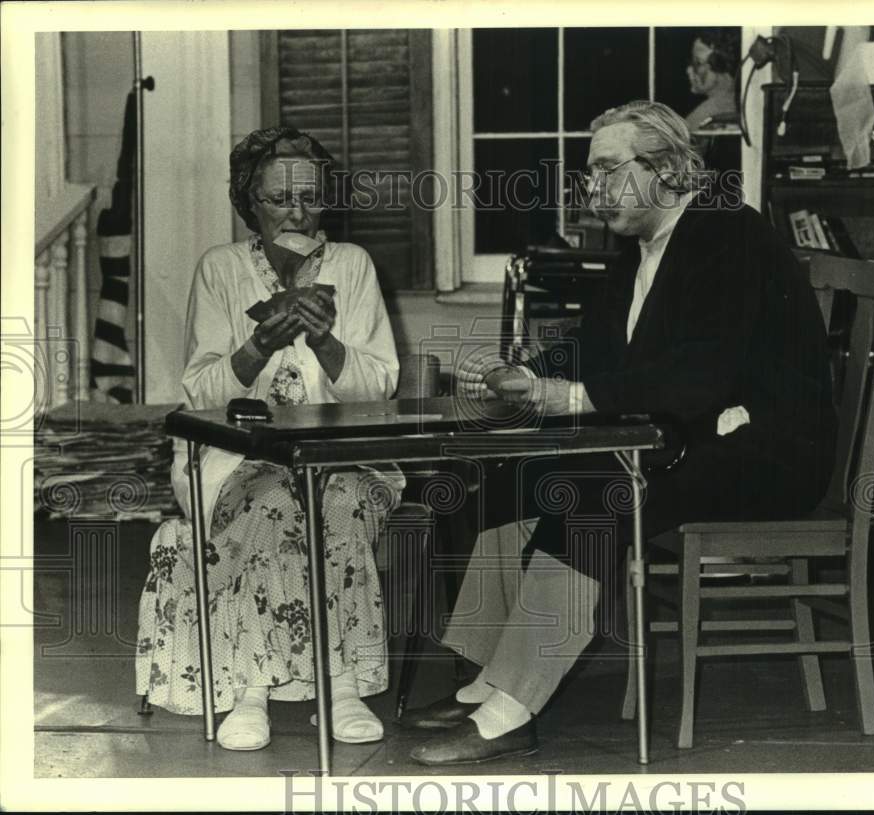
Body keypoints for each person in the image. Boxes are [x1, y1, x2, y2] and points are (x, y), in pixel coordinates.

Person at [401, 100, 836, 765]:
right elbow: (597, 348)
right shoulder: (638, 249)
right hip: (686, 441)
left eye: (607, 168)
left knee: (591, 490)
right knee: (514, 475)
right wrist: (520, 375)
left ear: (665, 168)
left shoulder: (730, 236)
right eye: (588, 172)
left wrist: (566, 393)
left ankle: (510, 713)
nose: (592, 187)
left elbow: (698, 377)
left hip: (765, 454)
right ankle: (488, 677)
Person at [135, 127, 403, 751]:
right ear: (249, 203)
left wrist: (328, 344)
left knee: (331, 502)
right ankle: (254, 689)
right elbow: (200, 391)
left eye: (309, 197)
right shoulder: (220, 269)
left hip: (346, 460)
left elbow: (381, 389)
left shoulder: (353, 266)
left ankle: (339, 686)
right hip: (236, 461)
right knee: (273, 501)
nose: (298, 212)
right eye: (280, 198)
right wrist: (259, 346)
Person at [684, 29, 740, 133]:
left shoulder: (702, 117)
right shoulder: (739, 102)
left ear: (719, 64)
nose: (689, 70)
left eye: (698, 63)